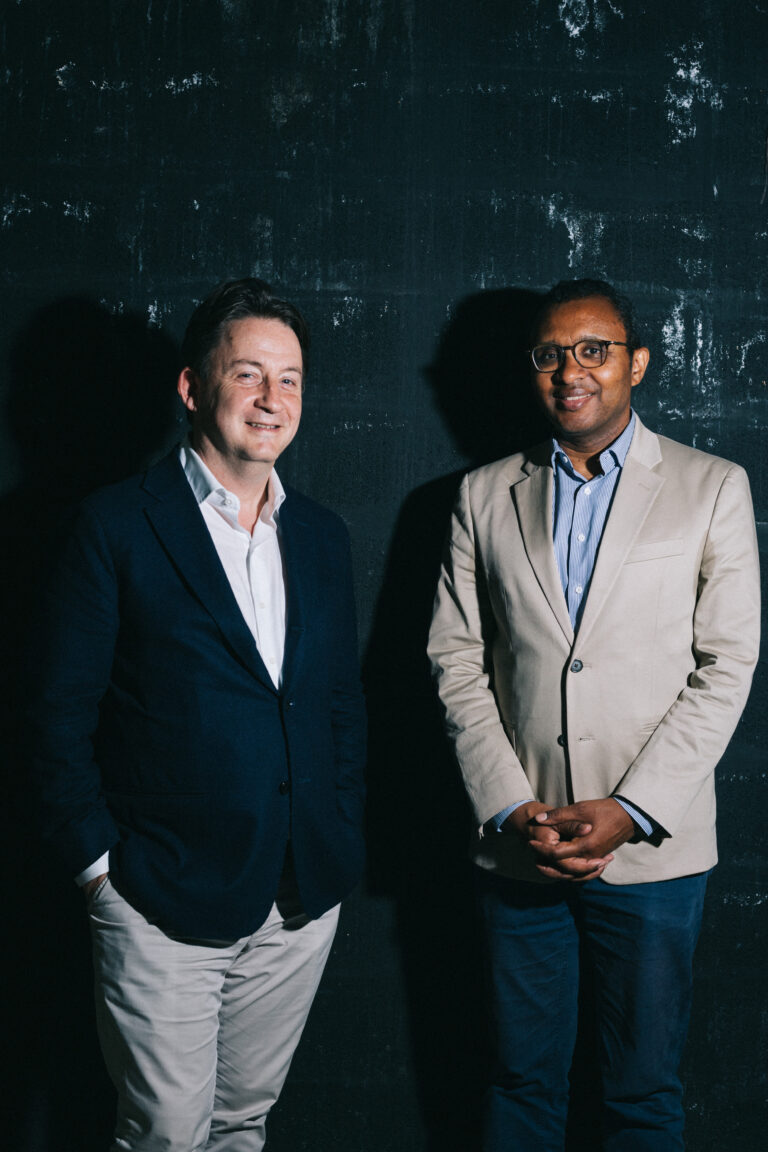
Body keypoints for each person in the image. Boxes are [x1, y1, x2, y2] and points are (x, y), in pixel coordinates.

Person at [29, 278, 366, 1151]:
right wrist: (99, 874)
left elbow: (338, 704)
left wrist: (338, 825)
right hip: (159, 898)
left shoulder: (321, 536)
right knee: (168, 1135)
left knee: (241, 1125)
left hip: (298, 901)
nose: (271, 398)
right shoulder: (115, 525)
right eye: (248, 373)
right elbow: (55, 714)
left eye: (289, 379)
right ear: (191, 386)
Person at [427, 278, 760, 1151]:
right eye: (551, 354)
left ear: (636, 363)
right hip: (521, 842)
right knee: (518, 1084)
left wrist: (631, 809)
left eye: (593, 351)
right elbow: (455, 660)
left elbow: (727, 665)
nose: (570, 371)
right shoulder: (482, 495)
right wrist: (511, 806)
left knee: (642, 1093)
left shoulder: (711, 487)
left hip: (652, 854)